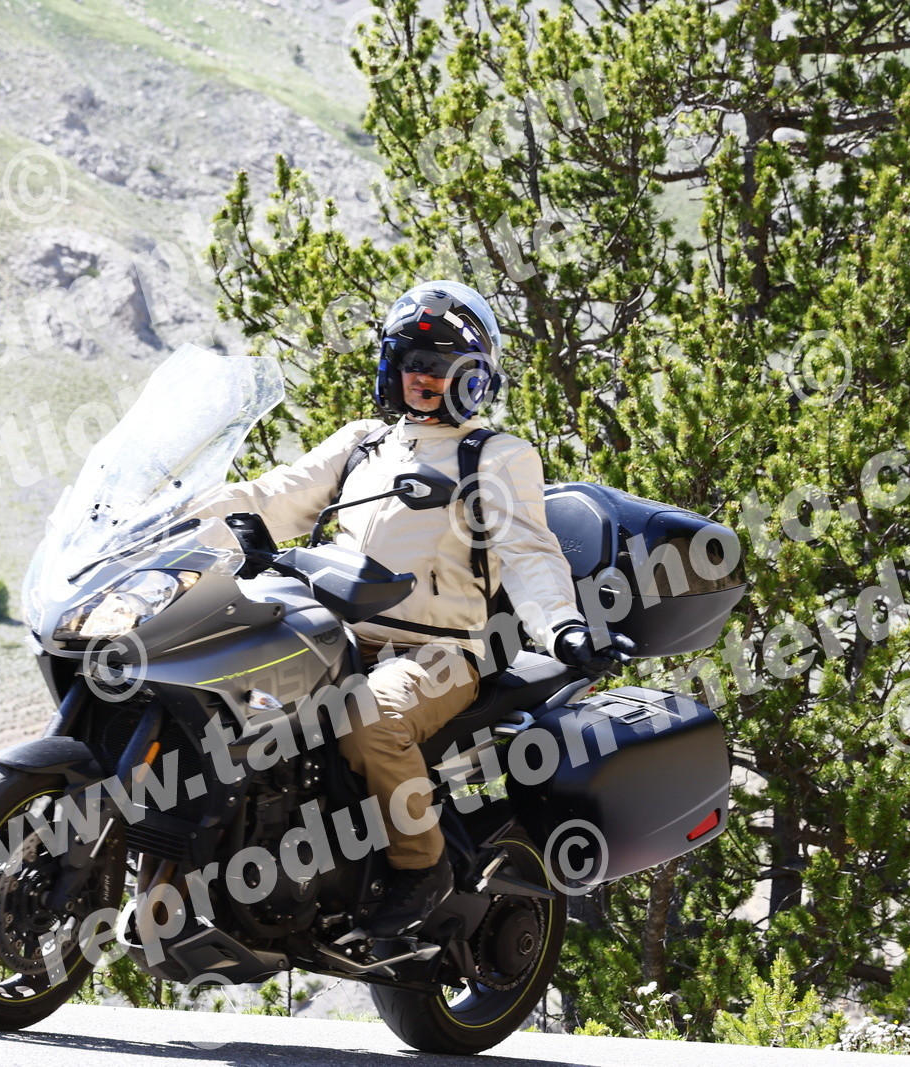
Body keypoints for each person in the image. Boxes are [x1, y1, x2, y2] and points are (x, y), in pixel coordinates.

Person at [190, 280, 633, 937]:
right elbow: (270, 496)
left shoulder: (496, 456)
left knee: (371, 716)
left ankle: (422, 865)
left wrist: (563, 627)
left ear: (474, 378)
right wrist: (169, 522)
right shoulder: (362, 443)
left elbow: (530, 552)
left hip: (438, 652)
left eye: (442, 366)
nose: (423, 377)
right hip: (328, 633)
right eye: (412, 361)